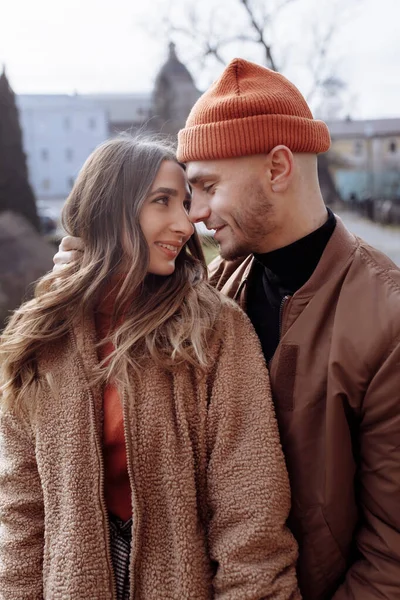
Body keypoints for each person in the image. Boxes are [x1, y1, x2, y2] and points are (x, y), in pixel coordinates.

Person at [55, 59, 400, 600]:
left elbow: (392, 555)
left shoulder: (388, 318)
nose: (193, 213)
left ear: (278, 168)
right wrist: (81, 288)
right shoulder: (211, 295)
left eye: (207, 187)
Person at [0, 135, 300, 599]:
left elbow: (251, 512)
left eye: (185, 203)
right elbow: (20, 511)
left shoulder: (216, 331)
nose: (185, 223)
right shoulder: (41, 337)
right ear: (108, 207)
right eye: (163, 202)